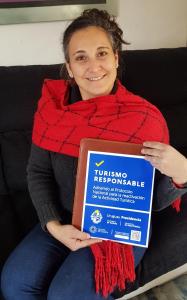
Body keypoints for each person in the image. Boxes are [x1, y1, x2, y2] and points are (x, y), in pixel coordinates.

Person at [1, 8, 187, 300]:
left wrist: (181, 173)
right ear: (69, 67)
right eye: (81, 57)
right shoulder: (52, 112)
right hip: (64, 219)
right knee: (15, 284)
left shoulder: (144, 118)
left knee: (66, 295)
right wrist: (54, 226)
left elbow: (155, 203)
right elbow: (37, 172)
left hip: (118, 229)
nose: (93, 66)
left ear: (116, 58)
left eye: (102, 53)